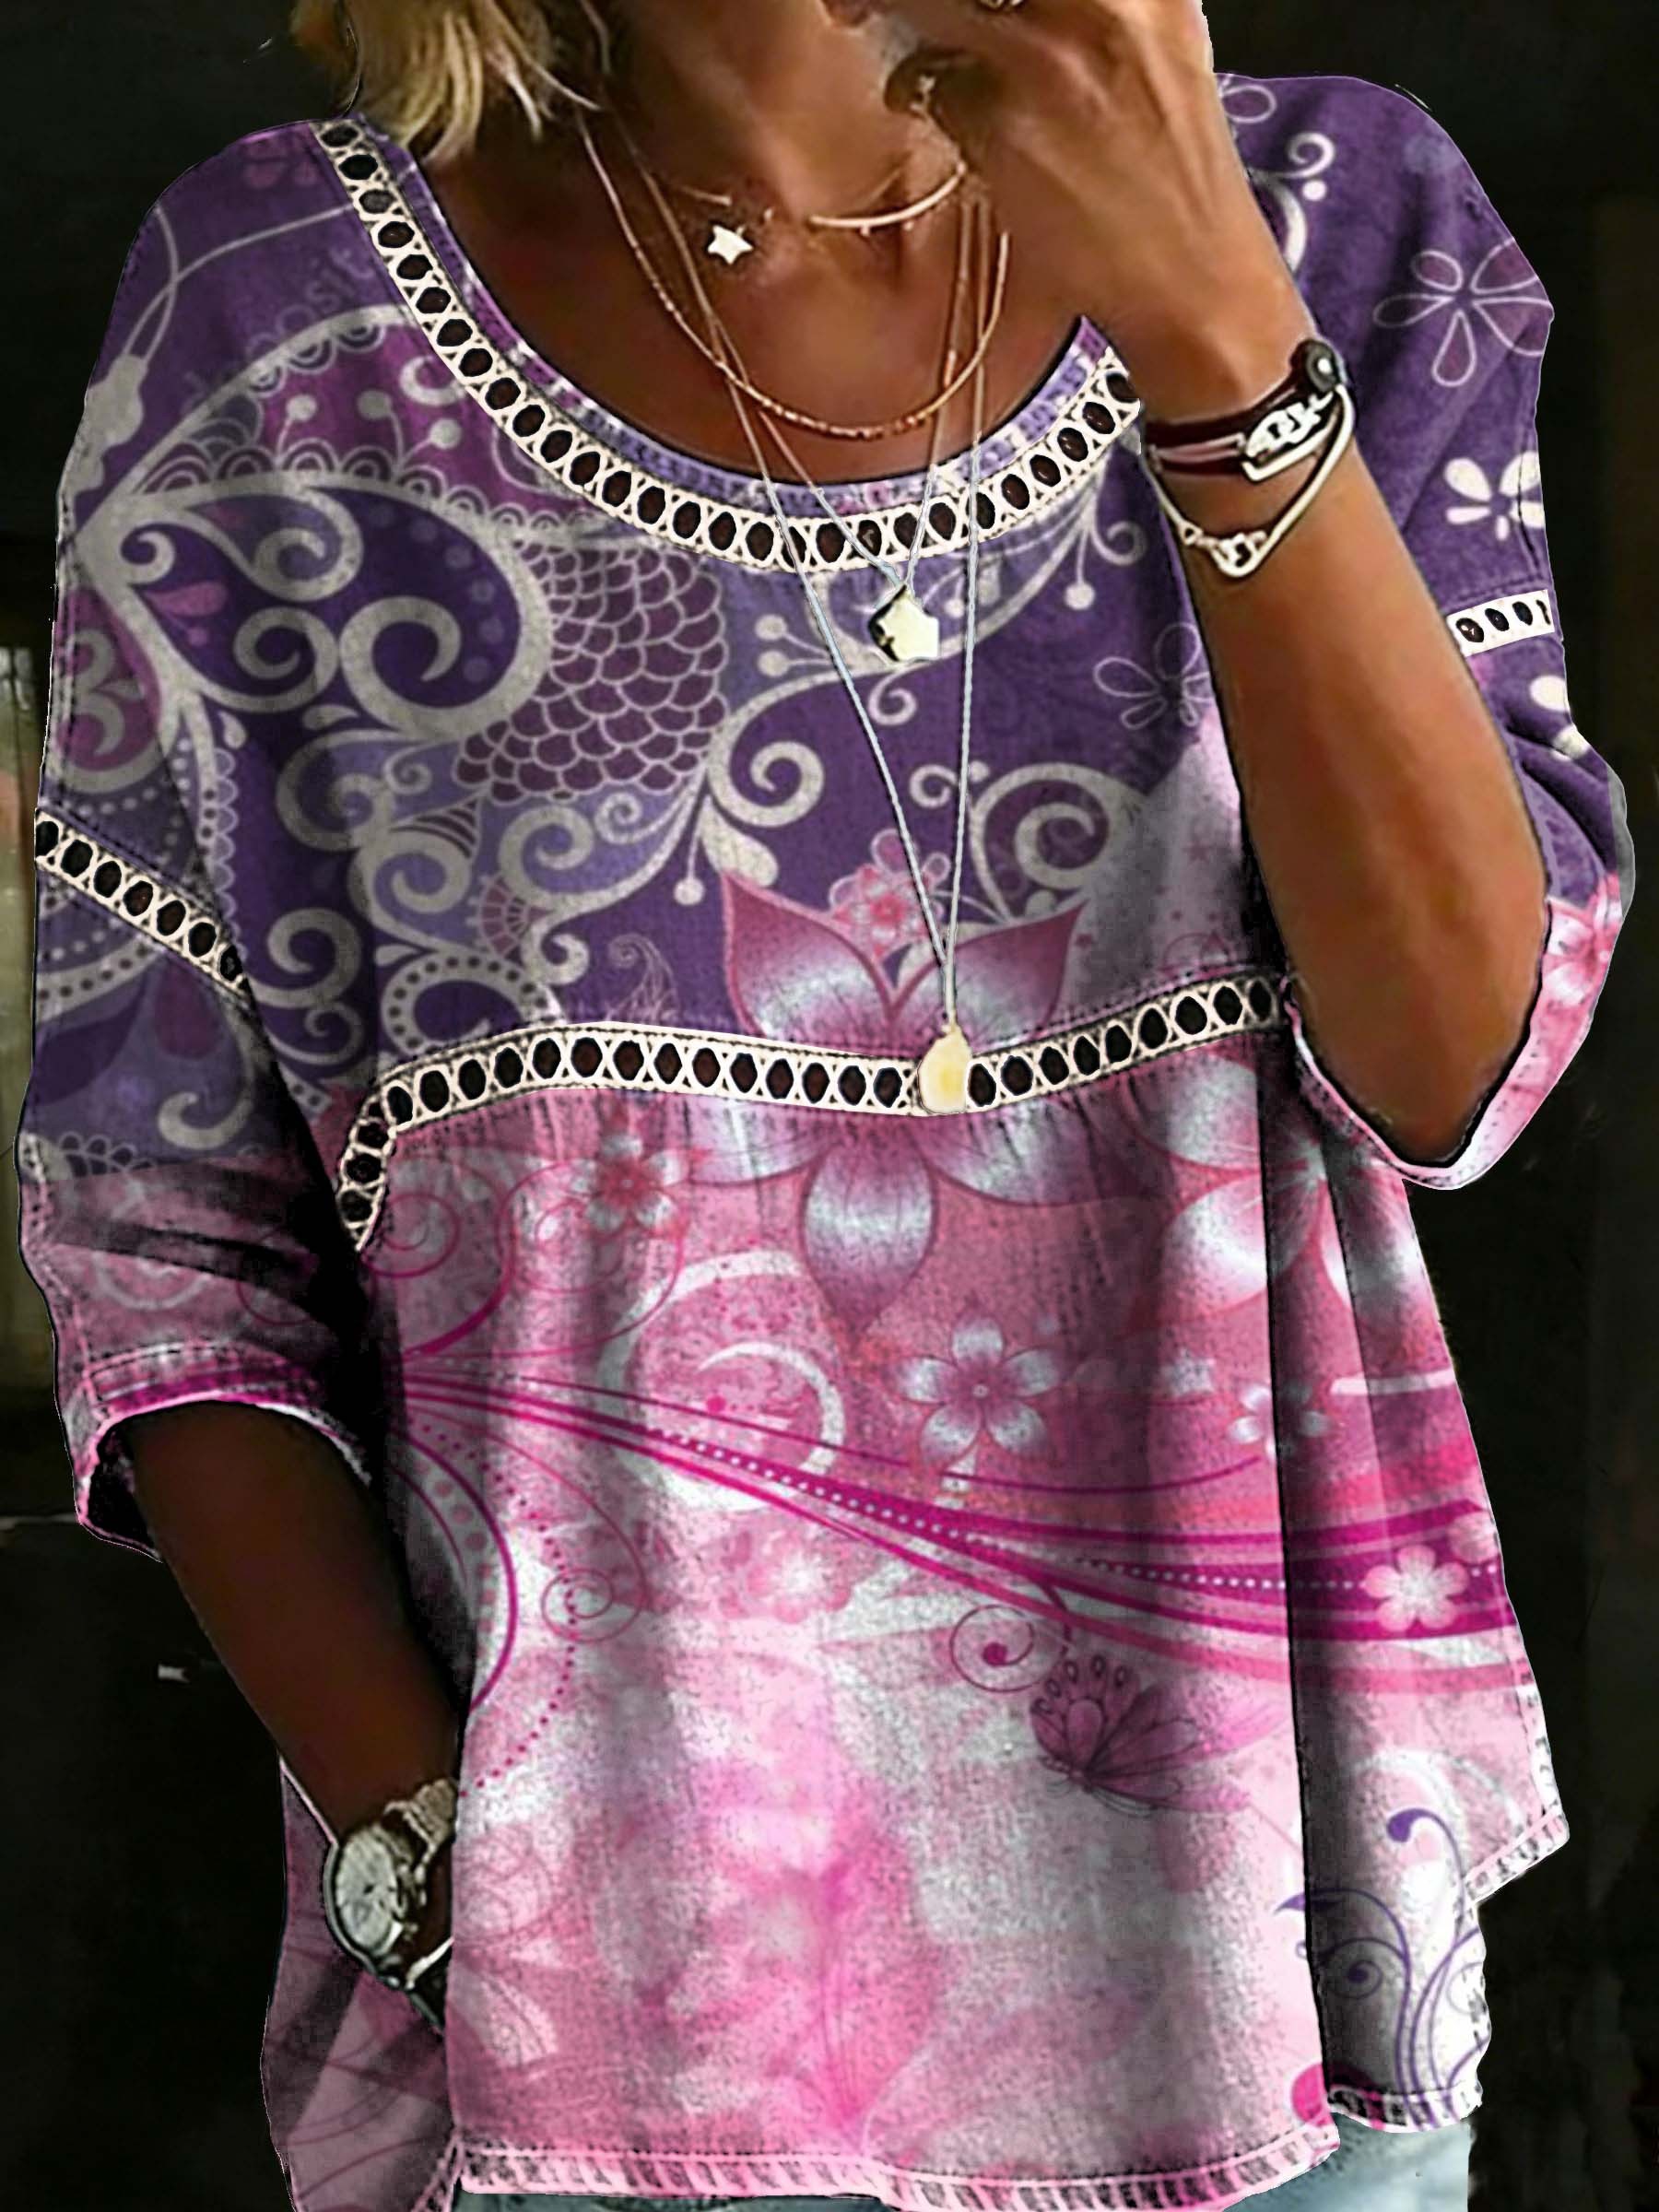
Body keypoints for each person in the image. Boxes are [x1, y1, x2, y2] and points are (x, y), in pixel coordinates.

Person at [13, 0, 1632, 2207]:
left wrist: (1215, 340)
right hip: (605, 2051)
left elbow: (1462, 1062)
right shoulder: (275, 319)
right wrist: (439, 1869)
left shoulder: (1340, 226)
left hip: (1280, 1995)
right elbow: (163, 1235)